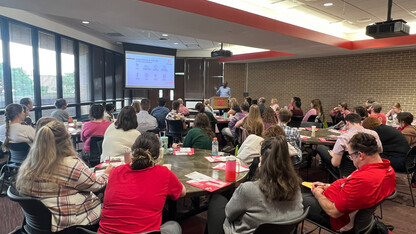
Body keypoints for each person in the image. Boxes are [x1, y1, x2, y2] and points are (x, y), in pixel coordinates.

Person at [16, 120, 112, 232]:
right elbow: (97, 185)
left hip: (40, 224)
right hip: (71, 223)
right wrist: (106, 174)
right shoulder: (71, 164)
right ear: (67, 140)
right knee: (110, 205)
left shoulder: (30, 164)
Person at [207, 136, 304, 234]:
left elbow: (229, 214)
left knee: (216, 199)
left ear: (261, 161)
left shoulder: (248, 189)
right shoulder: (296, 187)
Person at [303, 133, 396, 232]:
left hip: (337, 219)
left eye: (351, 156)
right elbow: (352, 188)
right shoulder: (388, 170)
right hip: (345, 207)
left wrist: (318, 194)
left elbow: (333, 212)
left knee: (293, 199)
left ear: (360, 155)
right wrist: (328, 186)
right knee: (302, 190)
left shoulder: (363, 180)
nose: (351, 159)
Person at [98, 133, 185, 234]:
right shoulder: (164, 173)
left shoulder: (115, 172)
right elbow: (182, 193)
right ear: (157, 156)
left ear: (133, 151)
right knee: (174, 226)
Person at [318, 113, 382, 178]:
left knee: (321, 148)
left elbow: (335, 163)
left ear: (347, 123)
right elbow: (379, 151)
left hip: (349, 171)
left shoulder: (344, 138)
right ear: (360, 122)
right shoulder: (373, 133)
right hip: (372, 170)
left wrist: (334, 155)